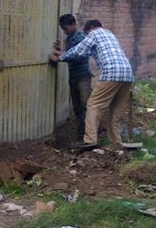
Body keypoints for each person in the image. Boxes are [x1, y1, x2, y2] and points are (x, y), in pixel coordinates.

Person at [50, 20, 133, 149]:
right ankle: (115, 143)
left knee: (93, 105)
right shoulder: (110, 34)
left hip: (111, 73)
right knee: (115, 112)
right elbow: (86, 53)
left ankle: (90, 140)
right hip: (127, 75)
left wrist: (59, 58)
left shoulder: (93, 34)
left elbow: (79, 50)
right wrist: (63, 53)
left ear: (91, 28)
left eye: (86, 33)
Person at [54, 14, 92, 142]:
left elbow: (81, 56)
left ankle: (91, 134)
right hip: (73, 77)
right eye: (63, 29)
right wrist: (61, 51)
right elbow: (69, 55)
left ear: (73, 24)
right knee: (77, 108)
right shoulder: (68, 39)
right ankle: (81, 135)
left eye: (66, 28)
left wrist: (60, 56)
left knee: (86, 105)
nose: (65, 31)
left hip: (83, 77)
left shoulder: (82, 37)